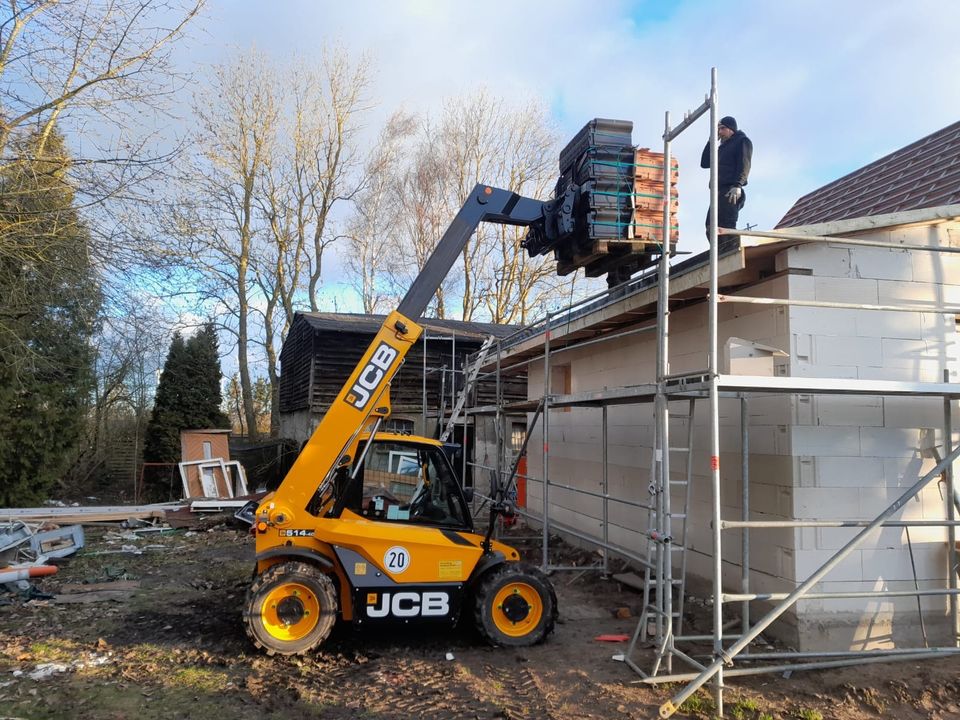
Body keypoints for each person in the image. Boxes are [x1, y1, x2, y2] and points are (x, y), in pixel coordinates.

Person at [700, 115, 752, 238]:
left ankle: (731, 251)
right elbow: (705, 163)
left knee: (727, 227)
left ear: (731, 129)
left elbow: (744, 164)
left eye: (722, 128)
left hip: (730, 191)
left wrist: (738, 185)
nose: (720, 132)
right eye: (718, 129)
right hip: (718, 192)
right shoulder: (722, 148)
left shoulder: (742, 141)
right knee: (710, 227)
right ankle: (720, 253)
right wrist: (710, 141)